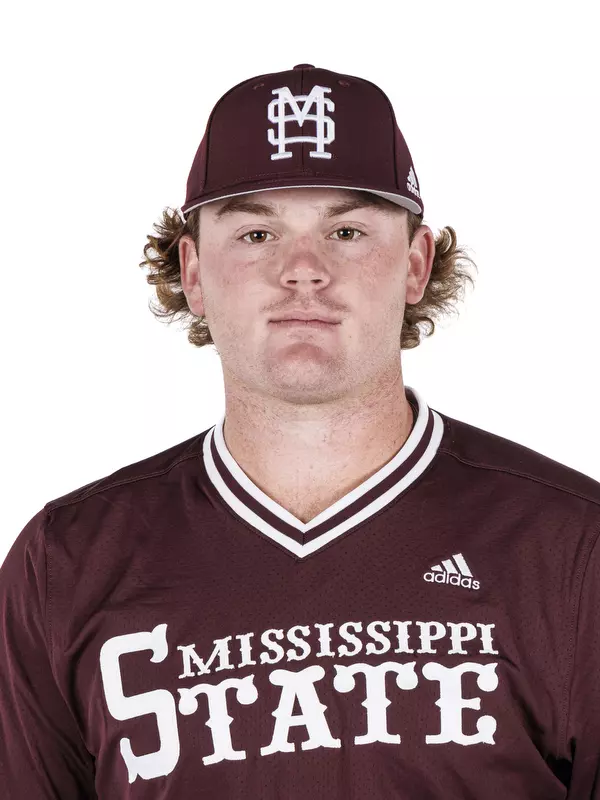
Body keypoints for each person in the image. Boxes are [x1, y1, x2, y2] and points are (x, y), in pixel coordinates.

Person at [1, 63, 599, 800]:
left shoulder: (574, 548)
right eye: (256, 232)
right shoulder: (65, 562)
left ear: (416, 264)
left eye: (347, 231)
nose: (304, 271)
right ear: (192, 271)